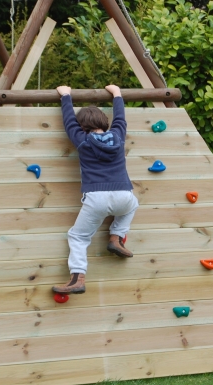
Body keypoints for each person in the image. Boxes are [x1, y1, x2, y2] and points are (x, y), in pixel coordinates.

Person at [52, 85, 139, 295]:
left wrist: (66, 96)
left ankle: (77, 278)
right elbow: (120, 119)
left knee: (78, 237)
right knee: (133, 204)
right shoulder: (118, 137)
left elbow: (69, 122)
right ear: (104, 123)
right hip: (124, 194)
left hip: (96, 197)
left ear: (82, 127)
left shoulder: (82, 141)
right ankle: (116, 237)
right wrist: (117, 94)